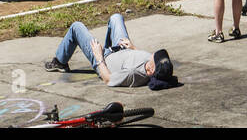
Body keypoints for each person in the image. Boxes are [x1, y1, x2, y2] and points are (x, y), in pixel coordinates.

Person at [43, 13, 177, 89]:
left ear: (150, 71)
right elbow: (140, 57)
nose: (153, 54)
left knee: (76, 27)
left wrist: (98, 56)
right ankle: (111, 44)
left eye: (155, 57)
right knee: (116, 17)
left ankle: (60, 62)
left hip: (104, 58)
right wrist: (133, 47)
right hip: (123, 49)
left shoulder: (133, 74)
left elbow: (109, 79)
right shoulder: (151, 63)